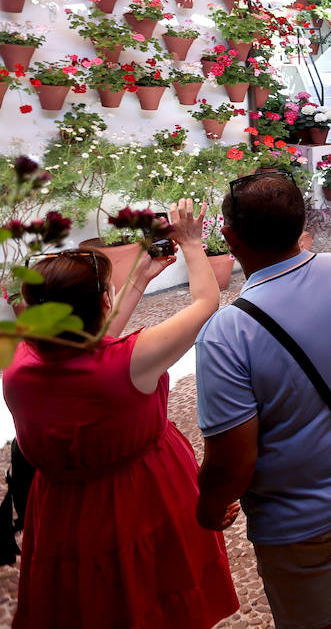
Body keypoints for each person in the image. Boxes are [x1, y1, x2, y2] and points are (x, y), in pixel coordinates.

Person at [2, 200, 239, 628]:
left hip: (64, 504)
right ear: (102, 300)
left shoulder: (20, 367)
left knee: (88, 599)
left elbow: (88, 348)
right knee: (154, 591)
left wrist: (138, 281)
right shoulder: (130, 363)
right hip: (140, 492)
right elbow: (207, 301)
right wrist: (190, 241)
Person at [195, 171, 331, 629]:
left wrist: (209, 504)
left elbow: (233, 461)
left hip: (298, 522)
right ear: (301, 223)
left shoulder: (227, 334)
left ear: (229, 237)